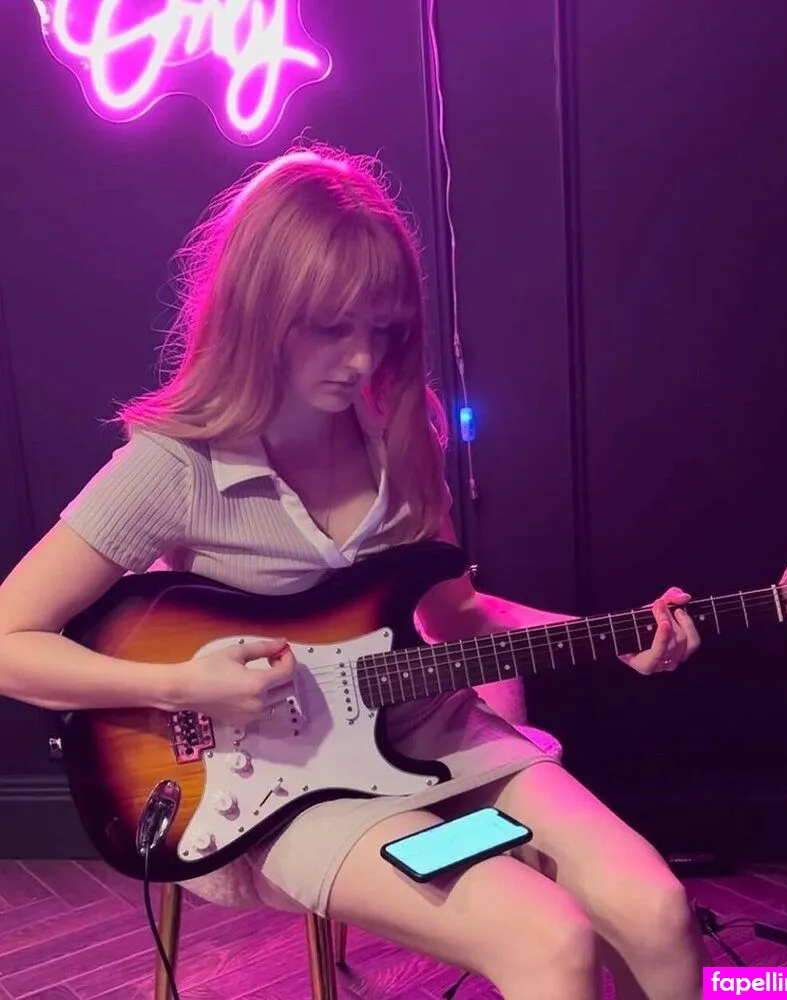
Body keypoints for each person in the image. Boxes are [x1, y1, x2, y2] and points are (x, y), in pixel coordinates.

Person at [0, 143, 709, 1000]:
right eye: (331, 328)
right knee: (546, 937)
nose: (364, 361)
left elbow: (460, 618)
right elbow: (9, 640)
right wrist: (185, 686)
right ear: (259, 310)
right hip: (293, 791)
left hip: (441, 745)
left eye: (383, 329)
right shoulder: (174, 464)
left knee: (656, 907)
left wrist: (614, 638)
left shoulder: (404, 432)